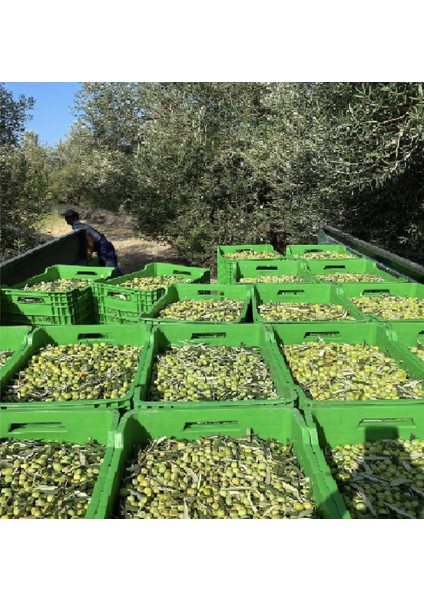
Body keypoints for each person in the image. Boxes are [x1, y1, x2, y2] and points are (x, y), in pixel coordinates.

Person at [64, 209, 123, 274]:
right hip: (103, 246)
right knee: (105, 270)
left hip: (103, 247)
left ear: (75, 218)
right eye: (66, 217)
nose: (66, 219)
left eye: (69, 217)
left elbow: (90, 240)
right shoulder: (81, 226)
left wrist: (89, 253)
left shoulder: (78, 227)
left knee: (111, 270)